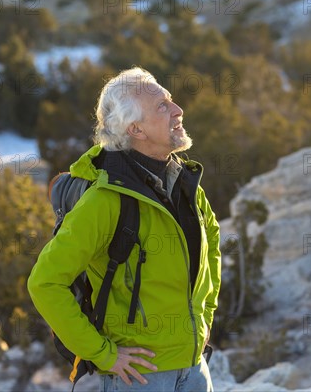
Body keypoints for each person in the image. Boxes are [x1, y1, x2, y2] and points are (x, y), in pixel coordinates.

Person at [28, 67, 221, 392]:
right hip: (138, 379)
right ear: (136, 129)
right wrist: (104, 355)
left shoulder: (186, 183)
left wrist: (204, 321)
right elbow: (44, 283)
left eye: (171, 101)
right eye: (162, 106)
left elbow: (211, 248)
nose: (178, 111)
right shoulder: (104, 200)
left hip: (195, 370)